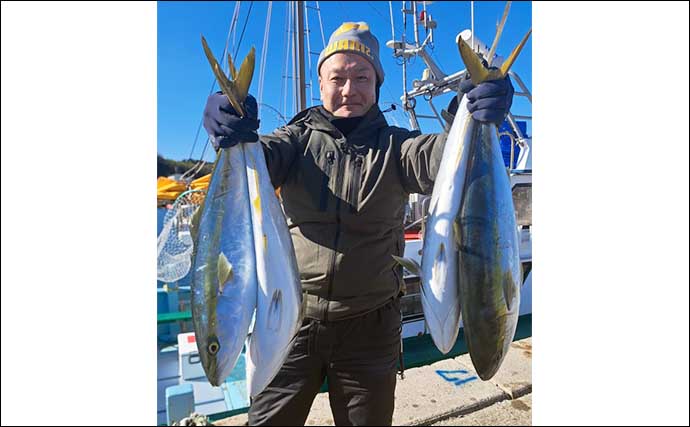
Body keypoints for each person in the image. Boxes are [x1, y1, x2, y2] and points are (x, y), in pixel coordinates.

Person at [203, 21, 514, 426]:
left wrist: (468, 112)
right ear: (320, 83)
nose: (349, 89)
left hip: (370, 330)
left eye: (361, 76)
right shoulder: (294, 141)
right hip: (291, 322)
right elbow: (256, 163)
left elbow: (443, 159)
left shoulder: (398, 147)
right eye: (338, 77)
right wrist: (232, 130)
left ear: (377, 84)